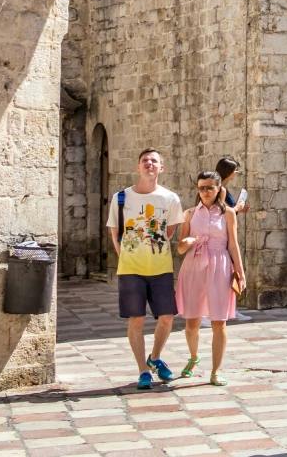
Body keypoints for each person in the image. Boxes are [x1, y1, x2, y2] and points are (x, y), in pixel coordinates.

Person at [107, 148, 182, 390]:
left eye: (154, 161)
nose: (149, 164)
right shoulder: (121, 198)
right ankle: (143, 370)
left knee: (167, 317)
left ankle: (155, 357)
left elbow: (169, 232)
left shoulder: (170, 199)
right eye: (145, 161)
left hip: (160, 267)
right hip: (131, 269)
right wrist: (125, 256)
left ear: (162, 167)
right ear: (138, 167)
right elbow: (115, 232)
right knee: (136, 319)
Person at [174, 171, 244, 384]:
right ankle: (194, 357)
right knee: (192, 322)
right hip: (194, 266)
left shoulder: (229, 213)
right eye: (201, 187)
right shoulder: (189, 213)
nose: (205, 192)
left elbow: (233, 244)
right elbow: (179, 248)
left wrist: (240, 272)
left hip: (220, 265)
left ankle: (216, 371)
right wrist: (186, 243)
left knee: (219, 321)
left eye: (210, 188)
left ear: (218, 188)